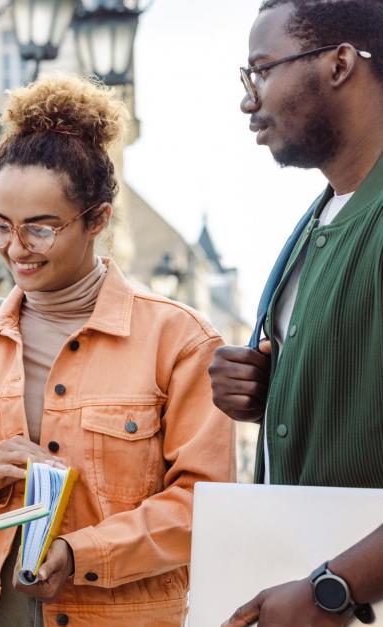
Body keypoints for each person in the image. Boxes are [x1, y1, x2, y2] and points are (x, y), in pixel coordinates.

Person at [0, 74, 235, 627]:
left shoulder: (179, 340)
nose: (15, 248)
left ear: (98, 220)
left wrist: (84, 554)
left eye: (40, 228)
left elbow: (204, 503)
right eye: (0, 226)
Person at [211, 1, 383, 625]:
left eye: (262, 70)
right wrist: (272, 393)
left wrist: (331, 588)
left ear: (340, 63)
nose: (248, 99)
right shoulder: (319, 217)